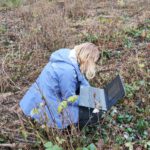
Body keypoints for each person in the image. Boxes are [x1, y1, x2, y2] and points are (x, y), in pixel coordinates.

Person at [20, 42, 100, 129]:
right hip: (48, 105)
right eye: (93, 62)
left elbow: (80, 76)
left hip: (35, 98)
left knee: (83, 95)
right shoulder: (67, 71)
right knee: (89, 115)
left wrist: (92, 93)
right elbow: (69, 98)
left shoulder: (66, 55)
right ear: (87, 60)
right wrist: (90, 100)